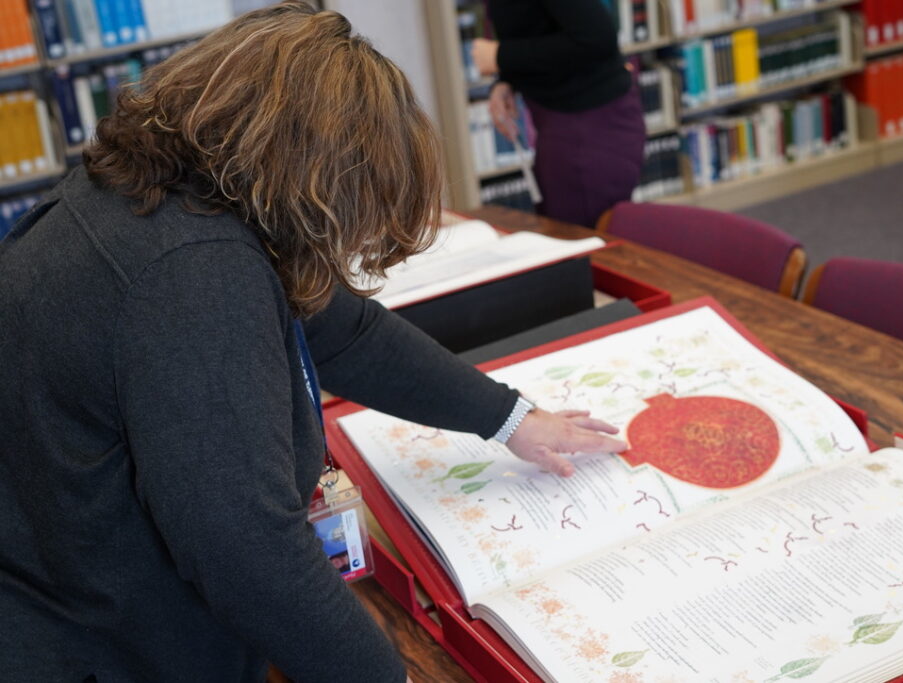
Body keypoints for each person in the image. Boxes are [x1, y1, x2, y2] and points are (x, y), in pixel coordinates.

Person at [0, 3, 626, 681]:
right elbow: (247, 550)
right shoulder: (193, 273)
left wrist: (510, 418)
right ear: (311, 176)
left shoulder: (167, 188)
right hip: (101, 646)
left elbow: (346, 331)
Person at [471, 0, 646, 228]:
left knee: (580, 243)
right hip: (556, 121)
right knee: (559, 231)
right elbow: (535, 27)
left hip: (591, 125)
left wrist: (501, 56)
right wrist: (507, 81)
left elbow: (595, 38)